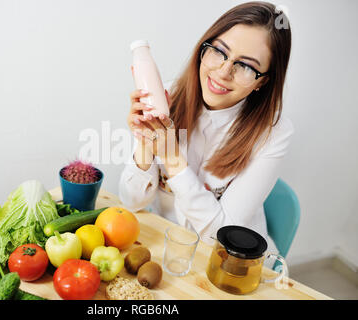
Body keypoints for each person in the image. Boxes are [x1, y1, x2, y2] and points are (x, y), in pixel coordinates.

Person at [119, 1, 293, 244]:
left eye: (245, 65)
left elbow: (219, 236)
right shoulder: (168, 97)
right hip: (166, 246)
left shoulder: (273, 134)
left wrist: (172, 158)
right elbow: (131, 201)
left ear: (262, 82)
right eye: (219, 51)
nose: (223, 71)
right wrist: (145, 140)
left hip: (228, 261)